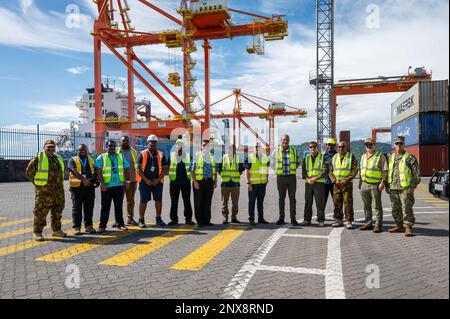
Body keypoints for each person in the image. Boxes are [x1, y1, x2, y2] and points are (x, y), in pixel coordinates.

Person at [26, 140, 67, 241]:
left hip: (58, 191)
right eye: (48, 147)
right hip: (44, 192)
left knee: (57, 211)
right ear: (44, 147)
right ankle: (37, 232)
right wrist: (38, 185)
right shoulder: (38, 159)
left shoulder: (58, 158)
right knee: (40, 212)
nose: (51, 149)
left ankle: (56, 230)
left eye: (53, 147)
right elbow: (29, 173)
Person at [386, 136, 421, 237]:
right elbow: (387, 172)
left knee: (406, 208)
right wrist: (386, 185)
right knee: (395, 208)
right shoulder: (390, 157)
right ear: (394, 145)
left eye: (400, 143)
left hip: (405, 188)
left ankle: (408, 227)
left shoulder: (409, 157)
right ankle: (399, 225)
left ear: (403, 144)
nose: (398, 145)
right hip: (393, 188)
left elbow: (416, 173)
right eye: (397, 143)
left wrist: (412, 186)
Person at [95, 140, 131, 232]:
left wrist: (127, 181)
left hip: (119, 186)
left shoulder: (120, 156)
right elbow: (98, 171)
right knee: (105, 207)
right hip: (107, 186)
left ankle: (120, 224)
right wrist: (102, 183)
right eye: (110, 146)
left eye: (113, 146)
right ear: (106, 147)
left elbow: (126, 168)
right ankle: (102, 226)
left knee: (119, 206)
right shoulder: (101, 157)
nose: (112, 148)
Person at [136, 134, 169, 228]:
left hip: (157, 182)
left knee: (158, 200)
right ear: (148, 143)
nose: (153, 144)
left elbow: (165, 169)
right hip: (144, 182)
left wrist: (157, 180)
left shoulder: (161, 154)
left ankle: (158, 218)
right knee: (143, 200)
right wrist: (146, 180)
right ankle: (141, 219)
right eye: (151, 142)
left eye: (154, 142)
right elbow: (138, 169)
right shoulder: (142, 154)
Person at [358, 138, 388, 233]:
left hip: (375, 185)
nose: (368, 146)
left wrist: (383, 182)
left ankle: (378, 225)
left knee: (377, 206)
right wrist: (360, 183)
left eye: (370, 144)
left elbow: (385, 170)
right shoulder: (363, 156)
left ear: (374, 145)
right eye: (367, 145)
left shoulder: (380, 156)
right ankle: (368, 223)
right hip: (364, 184)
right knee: (366, 205)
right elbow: (361, 170)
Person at [67, 144, 97, 235]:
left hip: (89, 187)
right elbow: (74, 171)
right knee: (77, 208)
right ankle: (77, 227)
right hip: (76, 188)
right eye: (80, 150)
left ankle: (89, 226)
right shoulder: (72, 160)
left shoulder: (91, 160)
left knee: (89, 207)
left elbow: (95, 172)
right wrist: (84, 180)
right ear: (77, 151)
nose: (82, 151)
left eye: (84, 149)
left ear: (87, 150)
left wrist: (90, 181)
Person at [329, 141, 358, 229]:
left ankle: (349, 221)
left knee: (348, 202)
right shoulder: (334, 157)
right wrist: (334, 180)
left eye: (343, 147)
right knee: (337, 202)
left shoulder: (351, 156)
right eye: (339, 147)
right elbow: (330, 171)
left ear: (346, 147)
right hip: (337, 184)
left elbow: (355, 170)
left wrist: (347, 179)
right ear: (337, 148)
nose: (341, 148)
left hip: (347, 184)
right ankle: (338, 220)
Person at [272, 134, 300, 226]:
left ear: (289, 140)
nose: (285, 141)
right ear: (281, 140)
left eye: (287, 139)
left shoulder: (293, 150)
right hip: (281, 178)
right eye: (284, 139)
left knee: (292, 199)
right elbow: (271, 162)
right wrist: (276, 170)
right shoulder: (276, 151)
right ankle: (281, 218)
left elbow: (298, 162)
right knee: (281, 199)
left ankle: (293, 218)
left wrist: (292, 169)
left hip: (291, 177)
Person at [190, 139, 217, 227]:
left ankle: (207, 220)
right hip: (199, 182)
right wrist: (194, 182)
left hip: (209, 181)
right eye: (204, 145)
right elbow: (191, 170)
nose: (205, 147)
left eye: (207, 145)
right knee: (199, 202)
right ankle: (200, 221)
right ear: (201, 147)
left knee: (208, 201)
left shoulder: (212, 156)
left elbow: (215, 169)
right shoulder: (197, 156)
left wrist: (215, 180)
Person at [168, 138, 195, 226]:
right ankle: (174, 219)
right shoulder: (171, 155)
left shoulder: (187, 155)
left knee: (187, 201)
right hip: (174, 182)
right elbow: (167, 167)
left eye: (181, 145)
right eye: (178, 144)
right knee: (174, 202)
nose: (179, 146)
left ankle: (188, 219)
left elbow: (191, 168)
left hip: (185, 182)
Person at [301, 141, 328, 227]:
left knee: (319, 203)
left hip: (319, 183)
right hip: (308, 183)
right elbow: (304, 172)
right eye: (311, 147)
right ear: (309, 149)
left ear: (317, 148)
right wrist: (308, 179)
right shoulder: (306, 159)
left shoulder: (322, 157)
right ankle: (307, 220)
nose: (313, 148)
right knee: (308, 202)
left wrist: (315, 179)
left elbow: (325, 171)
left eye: (314, 147)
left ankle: (321, 220)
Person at [218, 144, 245, 224]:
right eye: (229, 149)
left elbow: (241, 170)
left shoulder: (238, 159)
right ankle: (225, 218)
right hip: (225, 184)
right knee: (224, 202)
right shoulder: (223, 158)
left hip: (235, 184)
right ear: (227, 150)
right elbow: (218, 169)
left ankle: (234, 217)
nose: (231, 151)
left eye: (232, 149)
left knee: (235, 202)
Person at [246, 142, 270, 226]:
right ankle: (251, 219)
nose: (257, 148)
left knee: (260, 202)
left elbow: (266, 169)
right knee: (251, 202)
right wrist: (248, 183)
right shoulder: (250, 157)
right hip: (253, 184)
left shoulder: (265, 158)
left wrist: (266, 180)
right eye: (256, 147)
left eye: (259, 146)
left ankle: (261, 218)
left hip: (262, 184)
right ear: (253, 148)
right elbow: (248, 171)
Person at [117, 136, 139, 226]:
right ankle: (118, 220)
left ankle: (130, 218)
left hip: (132, 180)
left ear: (129, 142)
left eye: (127, 141)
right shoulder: (116, 151)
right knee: (118, 201)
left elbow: (137, 165)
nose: (125, 142)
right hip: (119, 181)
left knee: (130, 200)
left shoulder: (134, 152)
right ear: (120, 141)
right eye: (123, 141)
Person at [323, 138, 337, 208]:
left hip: (334, 181)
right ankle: (321, 215)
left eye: (332, 145)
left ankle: (337, 214)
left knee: (336, 200)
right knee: (323, 199)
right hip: (325, 181)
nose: (330, 146)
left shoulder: (337, 156)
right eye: (328, 145)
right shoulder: (324, 156)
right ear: (326, 145)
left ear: (334, 145)